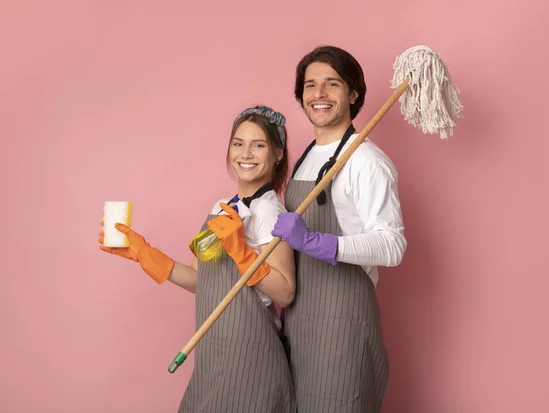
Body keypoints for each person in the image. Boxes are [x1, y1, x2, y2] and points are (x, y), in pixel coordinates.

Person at [98, 105, 297, 413]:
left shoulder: (271, 211)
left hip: (250, 356)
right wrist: (144, 254)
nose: (246, 154)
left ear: (278, 154)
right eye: (238, 143)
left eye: (258, 145)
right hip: (214, 353)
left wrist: (241, 250)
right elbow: (201, 281)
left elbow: (285, 291)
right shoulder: (221, 207)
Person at [271, 45, 407, 412]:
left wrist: (318, 243)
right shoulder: (304, 158)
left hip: (342, 324)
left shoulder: (366, 161)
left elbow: (392, 245)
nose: (319, 94)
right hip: (300, 321)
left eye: (332, 84)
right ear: (300, 95)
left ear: (353, 93)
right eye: (311, 85)